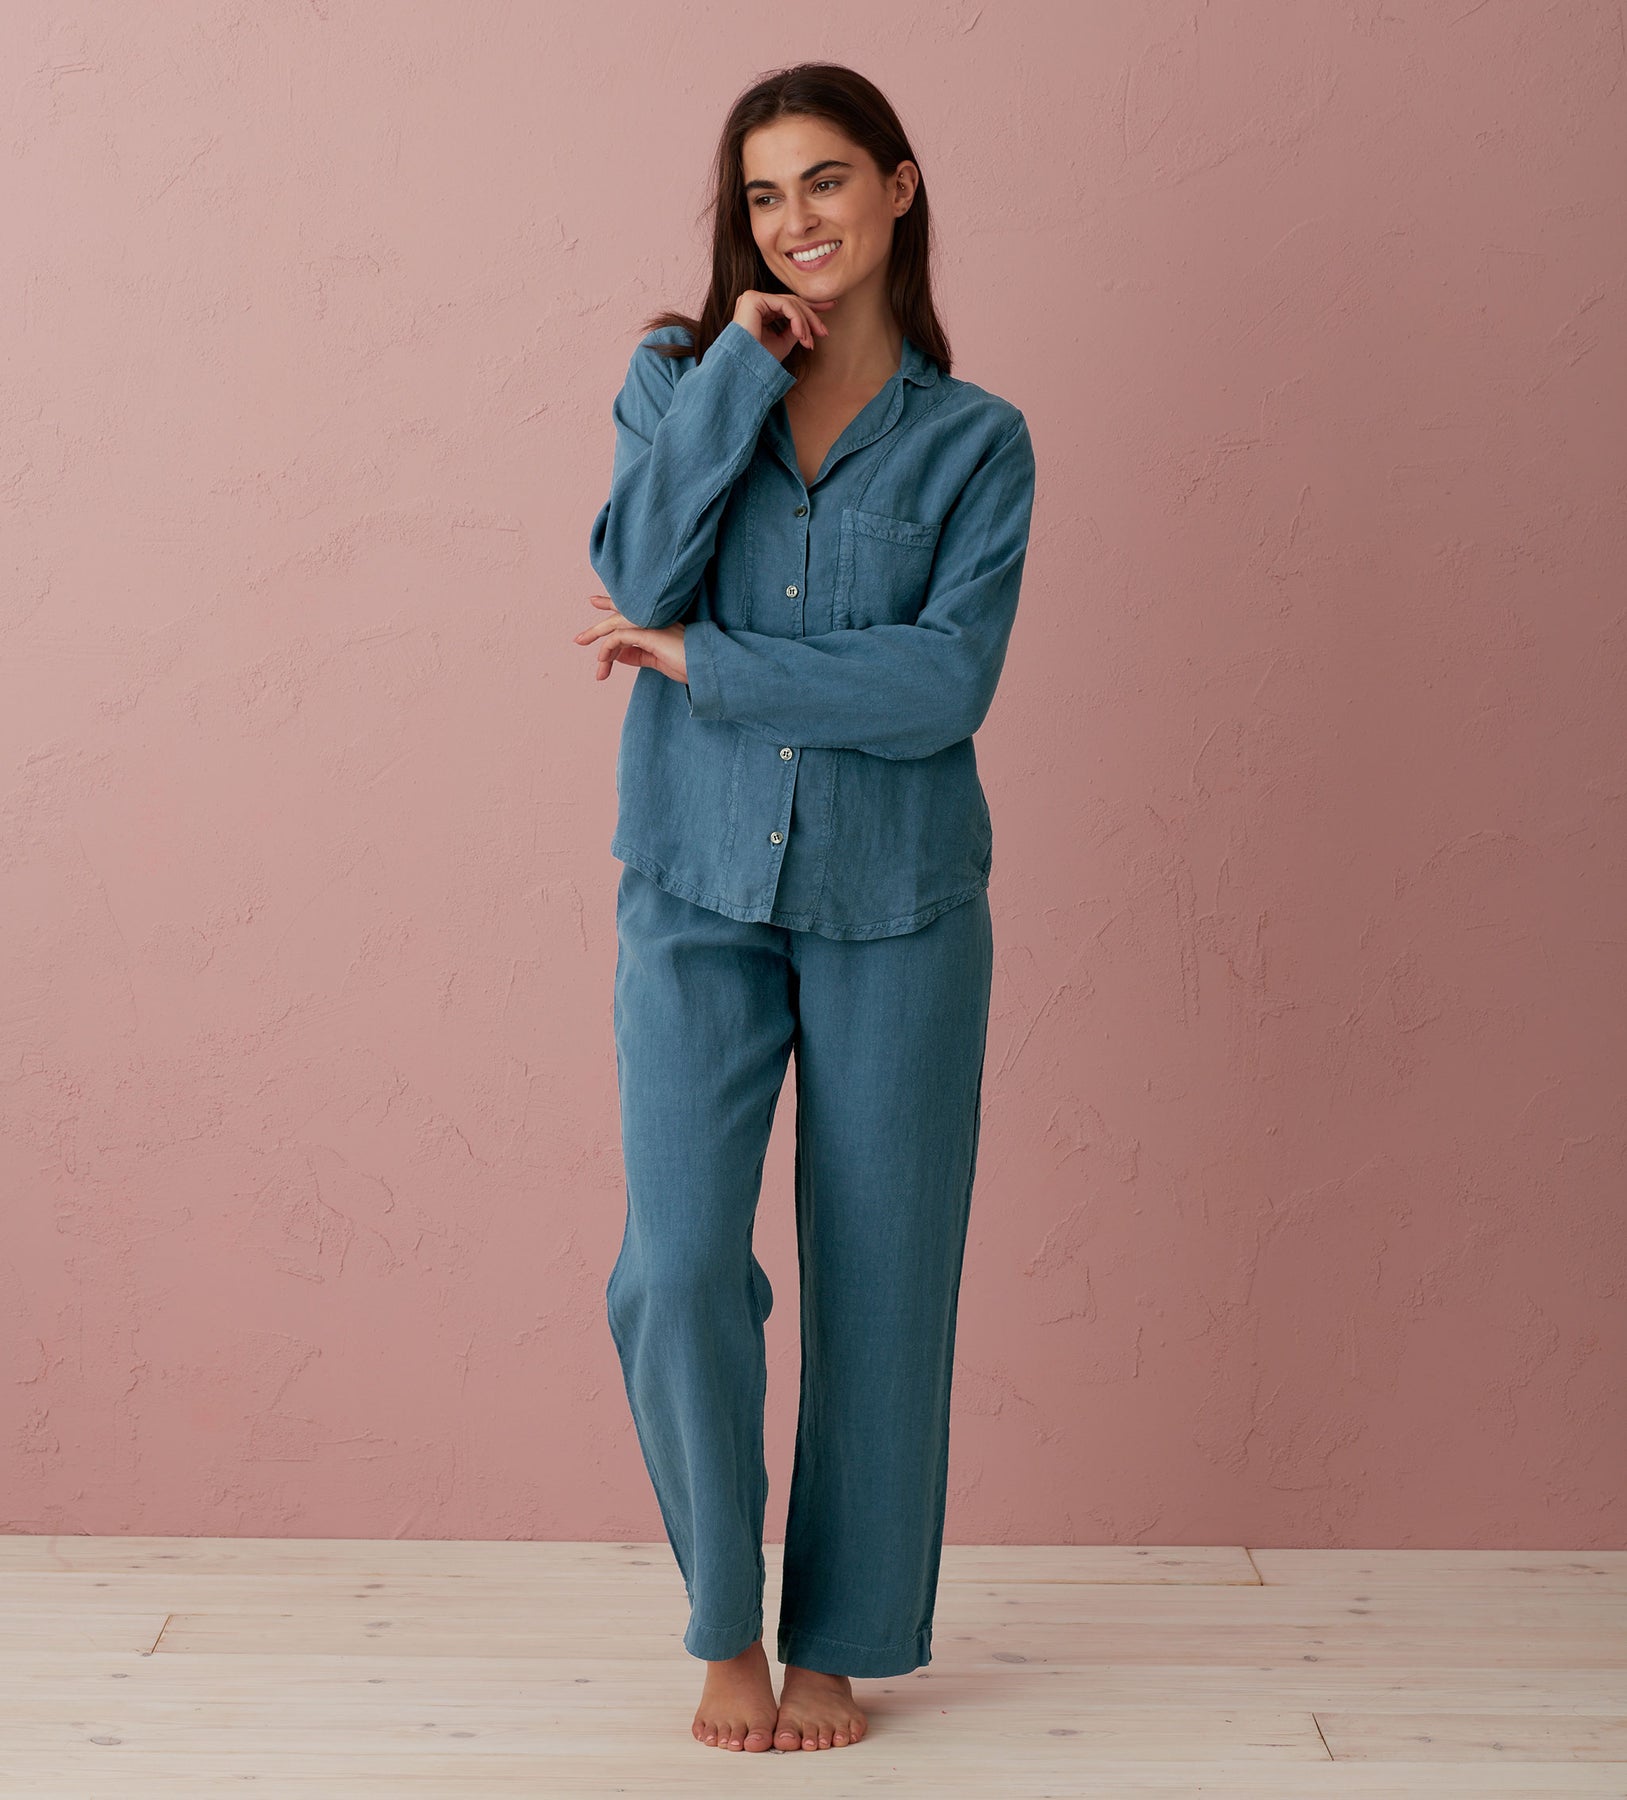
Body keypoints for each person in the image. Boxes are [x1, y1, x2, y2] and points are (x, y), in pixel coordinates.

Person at [574, 62, 1037, 1755]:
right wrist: (737, 375)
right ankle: (725, 1623)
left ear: (899, 187)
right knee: (678, 1265)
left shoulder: (978, 442)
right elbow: (633, 571)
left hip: (898, 900)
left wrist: (713, 665)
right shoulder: (674, 380)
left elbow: (941, 685)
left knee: (884, 1282)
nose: (796, 221)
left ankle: (839, 1639)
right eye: (764, 196)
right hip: (694, 881)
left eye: (827, 182)